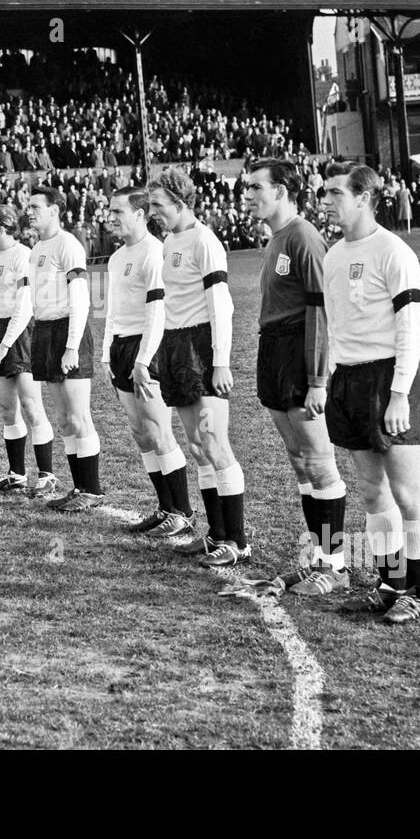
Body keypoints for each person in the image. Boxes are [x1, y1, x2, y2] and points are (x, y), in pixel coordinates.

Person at [321, 161, 420, 625]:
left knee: (408, 493)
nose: (326, 201)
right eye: (325, 193)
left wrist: (399, 393)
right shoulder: (332, 256)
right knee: (372, 492)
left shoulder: (394, 251)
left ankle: (419, 592)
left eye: (334, 193)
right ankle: (389, 586)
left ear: (364, 197)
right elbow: (336, 326)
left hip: (388, 379)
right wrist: (331, 376)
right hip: (347, 381)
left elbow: (413, 327)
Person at [243, 160, 349, 595]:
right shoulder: (276, 239)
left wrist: (319, 378)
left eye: (255, 188)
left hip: (297, 351)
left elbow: (322, 312)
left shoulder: (304, 237)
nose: (247, 196)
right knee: (300, 461)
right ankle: (317, 557)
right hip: (273, 349)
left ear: (283, 190)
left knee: (320, 462)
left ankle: (336, 566)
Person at [148, 168, 248, 568]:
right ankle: (217, 534)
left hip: (201, 347)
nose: (152, 212)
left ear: (180, 201)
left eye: (158, 204)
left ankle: (238, 541)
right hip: (175, 345)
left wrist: (220, 361)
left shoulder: (205, 240)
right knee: (197, 446)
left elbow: (221, 306)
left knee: (214, 443)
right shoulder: (170, 239)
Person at [104, 187, 193, 538]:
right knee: (141, 434)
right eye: (110, 211)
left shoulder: (155, 252)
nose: (111, 217)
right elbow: (112, 310)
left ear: (140, 214)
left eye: (118, 211)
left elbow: (157, 310)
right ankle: (165, 507)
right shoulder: (115, 257)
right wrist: (106, 352)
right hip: (121, 348)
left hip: (148, 348)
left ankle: (182, 512)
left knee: (159, 431)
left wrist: (143, 359)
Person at [26, 186, 103, 511]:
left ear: (54, 210)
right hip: (44, 331)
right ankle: (78, 487)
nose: (29, 212)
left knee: (78, 414)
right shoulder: (37, 248)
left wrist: (71, 346)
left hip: (67, 331)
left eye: (35, 207)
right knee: (63, 417)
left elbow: (81, 297)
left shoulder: (68, 244)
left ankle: (92, 490)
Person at [0, 203, 56, 495]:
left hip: (20, 335)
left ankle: (46, 475)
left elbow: (24, 304)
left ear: (0, 227)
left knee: (32, 406)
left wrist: (5, 344)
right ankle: (16, 475)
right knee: (7, 409)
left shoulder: (24, 256)